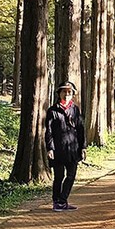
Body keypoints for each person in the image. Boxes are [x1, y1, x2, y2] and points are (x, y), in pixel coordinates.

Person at [45, 82, 85, 211]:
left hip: (73, 148)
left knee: (71, 175)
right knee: (59, 176)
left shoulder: (75, 109)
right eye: (64, 91)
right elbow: (49, 131)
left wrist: (83, 147)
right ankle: (56, 201)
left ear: (73, 94)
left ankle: (63, 200)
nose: (67, 94)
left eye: (69, 92)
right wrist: (50, 148)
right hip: (58, 149)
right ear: (59, 94)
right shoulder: (52, 111)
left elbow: (80, 129)